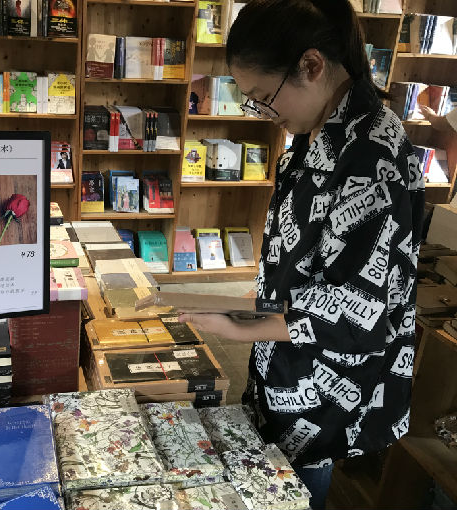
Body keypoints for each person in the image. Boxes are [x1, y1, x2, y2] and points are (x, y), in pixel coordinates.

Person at [178, 1, 424, 508]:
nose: (266, 115)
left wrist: (239, 327)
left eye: (263, 98)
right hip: (284, 356)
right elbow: (294, 263)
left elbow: (356, 314)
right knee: (277, 476)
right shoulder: (315, 132)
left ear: (311, 65)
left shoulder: (372, 153)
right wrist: (242, 307)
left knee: (299, 486)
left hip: (326, 383)